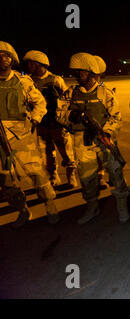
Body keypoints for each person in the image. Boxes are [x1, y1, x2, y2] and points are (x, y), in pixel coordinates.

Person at [57, 52, 130, 224]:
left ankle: (122, 205)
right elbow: (58, 114)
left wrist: (106, 132)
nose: (78, 75)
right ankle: (92, 206)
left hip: (104, 140)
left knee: (116, 173)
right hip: (81, 141)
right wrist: (71, 116)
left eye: (81, 71)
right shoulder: (70, 93)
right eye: (76, 71)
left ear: (91, 72)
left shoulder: (105, 93)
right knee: (86, 178)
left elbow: (116, 117)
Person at [0, 41, 59, 227]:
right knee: (6, 181)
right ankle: (22, 210)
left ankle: (51, 206)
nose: (3, 59)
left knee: (38, 174)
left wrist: (34, 119)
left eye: (7, 56)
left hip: (22, 137)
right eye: (0, 56)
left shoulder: (23, 81)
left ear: (12, 60)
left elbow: (40, 103)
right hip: (1, 142)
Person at [23, 50, 78, 188]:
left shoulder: (55, 80)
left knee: (66, 150)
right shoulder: (28, 81)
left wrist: (66, 118)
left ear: (39, 64)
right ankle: (53, 174)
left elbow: (67, 100)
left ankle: (71, 175)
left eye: (31, 63)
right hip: (41, 123)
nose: (29, 66)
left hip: (57, 122)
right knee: (47, 151)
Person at [93, 55, 109, 189]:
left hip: (104, 129)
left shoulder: (105, 91)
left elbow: (114, 113)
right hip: (88, 130)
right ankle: (100, 177)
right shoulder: (77, 91)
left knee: (106, 155)